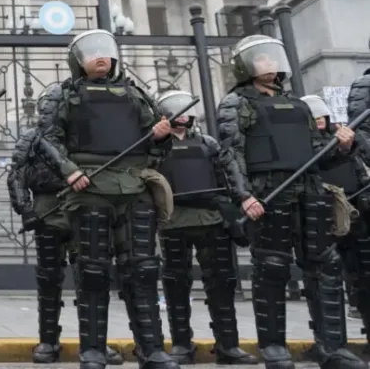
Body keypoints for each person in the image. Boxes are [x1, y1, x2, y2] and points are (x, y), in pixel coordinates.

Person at [217, 34, 367, 369]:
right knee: (272, 268)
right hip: (268, 193)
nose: (270, 64)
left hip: (309, 191)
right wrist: (244, 196)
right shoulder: (236, 103)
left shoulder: (299, 105)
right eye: (262, 59)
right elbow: (230, 154)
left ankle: (332, 347)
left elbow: (318, 155)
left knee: (325, 268)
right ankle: (274, 348)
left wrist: (343, 146)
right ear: (245, 66)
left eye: (273, 58)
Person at [31, 29, 176, 369]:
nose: (100, 57)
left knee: (142, 270)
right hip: (90, 189)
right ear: (77, 60)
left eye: (105, 51)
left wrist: (159, 136)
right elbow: (48, 140)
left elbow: (158, 144)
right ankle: (93, 351)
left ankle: (152, 349)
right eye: (91, 52)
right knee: (93, 272)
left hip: (133, 188)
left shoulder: (135, 95)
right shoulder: (64, 96)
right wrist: (70, 172)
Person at [7, 121, 123, 366]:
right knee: (49, 277)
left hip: (84, 206)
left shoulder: (85, 133)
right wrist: (25, 209)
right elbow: (16, 173)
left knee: (91, 276)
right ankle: (48, 340)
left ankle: (95, 343)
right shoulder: (32, 138)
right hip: (47, 208)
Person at [153, 90, 256, 365]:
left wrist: (236, 204)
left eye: (185, 110)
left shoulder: (208, 143)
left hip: (211, 220)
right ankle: (182, 345)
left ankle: (228, 345)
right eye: (175, 110)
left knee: (221, 285)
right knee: (176, 286)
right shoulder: (154, 146)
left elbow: (227, 174)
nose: (181, 115)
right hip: (174, 221)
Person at [307, 93, 370, 354]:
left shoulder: (349, 139)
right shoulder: (303, 146)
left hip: (356, 217)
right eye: (313, 117)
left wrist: (348, 147)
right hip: (322, 221)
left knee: (364, 280)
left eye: (322, 115)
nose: (319, 120)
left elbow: (361, 167)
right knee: (322, 285)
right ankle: (328, 343)